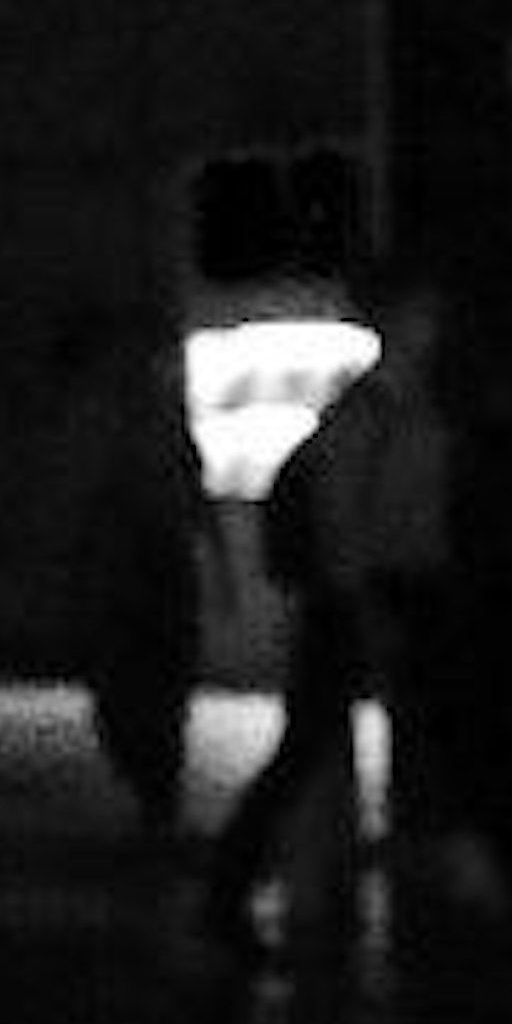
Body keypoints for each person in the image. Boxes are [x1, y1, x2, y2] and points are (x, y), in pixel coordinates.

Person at [308, 267, 512, 935]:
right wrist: (364, 606)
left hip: (425, 585)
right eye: (423, 316)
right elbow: (345, 523)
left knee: (453, 731)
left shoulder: (419, 406)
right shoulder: (373, 414)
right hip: (395, 588)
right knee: (443, 733)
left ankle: (495, 874)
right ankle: (494, 878)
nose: (436, 329)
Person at [37, 307, 222, 847]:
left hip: (138, 565)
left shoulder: (126, 420)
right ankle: (156, 796)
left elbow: (184, 492)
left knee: (143, 687)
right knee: (143, 687)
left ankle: (156, 797)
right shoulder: (123, 420)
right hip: (135, 566)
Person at [198, 400, 365, 963]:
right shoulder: (372, 422)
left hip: (333, 607)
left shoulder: (347, 424)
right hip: (348, 607)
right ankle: (232, 884)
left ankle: (233, 883)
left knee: (303, 749)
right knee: (305, 749)